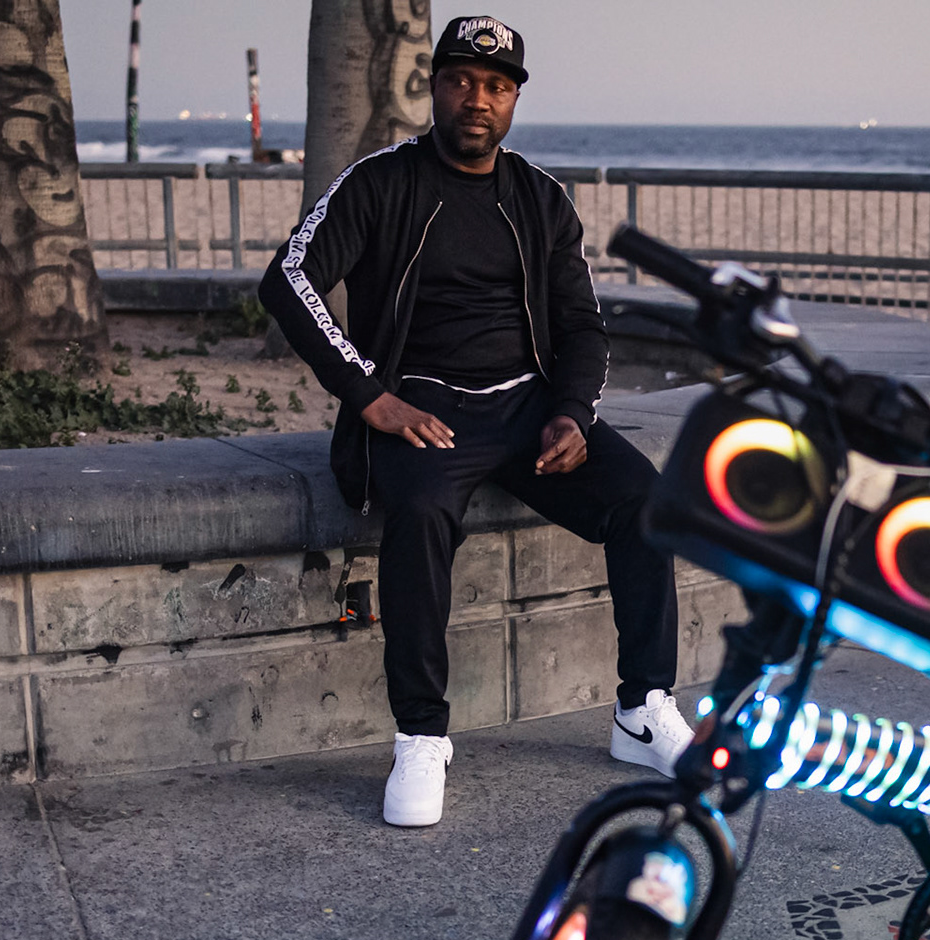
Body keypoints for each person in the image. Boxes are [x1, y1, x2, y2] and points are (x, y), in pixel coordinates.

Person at [261, 15, 692, 827]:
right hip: (422, 406)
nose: (476, 98)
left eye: (495, 86)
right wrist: (368, 394)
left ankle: (643, 709)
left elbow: (583, 326)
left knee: (646, 503)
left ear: (515, 99)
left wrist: (569, 414)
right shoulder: (380, 183)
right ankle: (422, 735)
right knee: (419, 515)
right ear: (435, 86)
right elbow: (290, 280)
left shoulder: (539, 198)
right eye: (460, 80)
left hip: (529, 407)